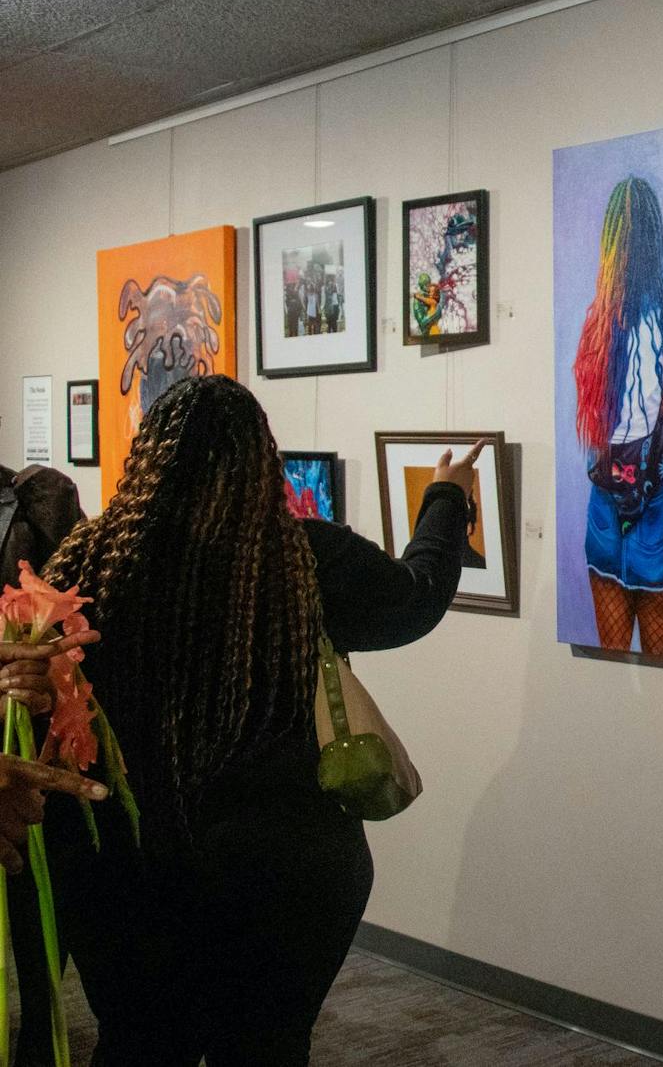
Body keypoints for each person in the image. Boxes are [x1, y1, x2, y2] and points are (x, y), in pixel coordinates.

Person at [42, 375, 479, 1065]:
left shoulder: (92, 562)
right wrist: (447, 496)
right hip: (285, 873)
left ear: (146, 457)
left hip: (128, 870)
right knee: (267, 1048)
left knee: (138, 1043)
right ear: (261, 461)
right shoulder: (299, 559)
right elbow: (415, 598)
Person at [572, 176, 663, 655]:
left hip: (604, 496)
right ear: (655, 239)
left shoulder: (595, 323)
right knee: (660, 664)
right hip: (651, 496)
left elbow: (599, 423)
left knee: (610, 662)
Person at [1, 461, 92, 1066]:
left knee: (36, 900)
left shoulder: (37, 495)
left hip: (35, 740)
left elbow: (73, 611)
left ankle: (39, 1031)